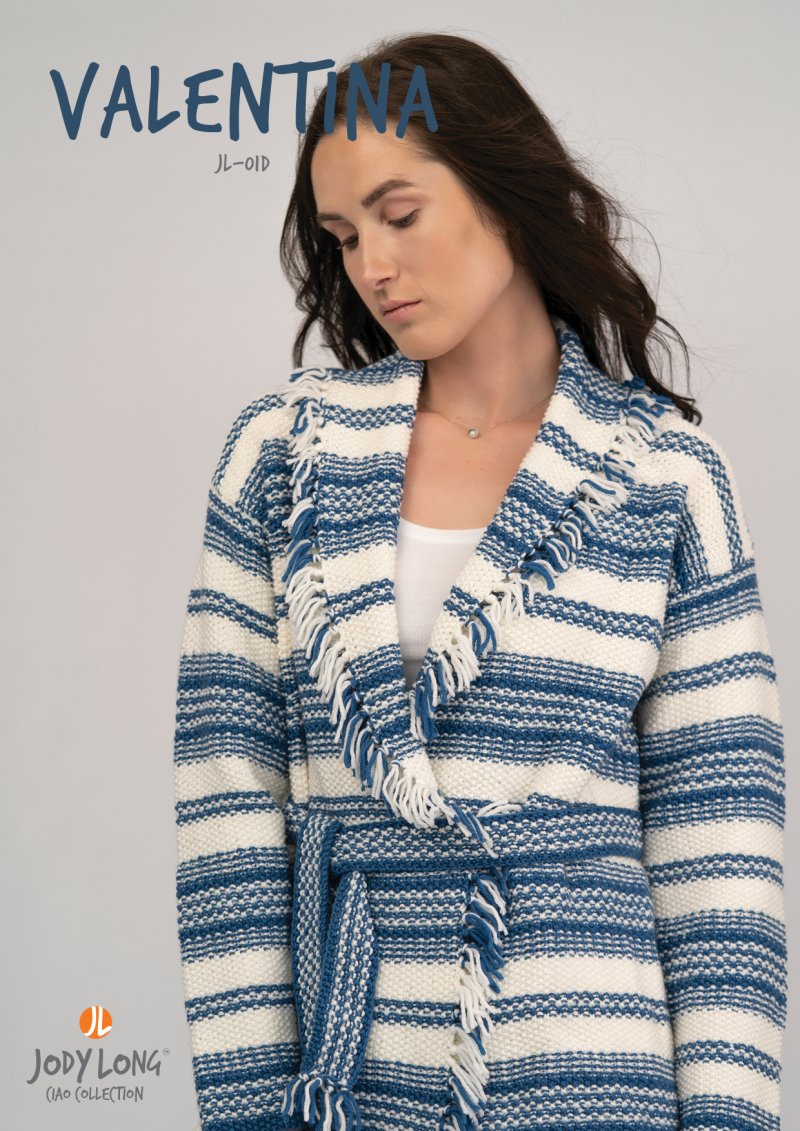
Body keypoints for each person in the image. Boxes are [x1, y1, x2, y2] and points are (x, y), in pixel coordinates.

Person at [172, 31, 786, 1131]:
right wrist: (249, 1108)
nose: (371, 266)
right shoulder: (282, 456)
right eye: (343, 236)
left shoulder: (665, 474)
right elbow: (227, 802)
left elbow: (722, 851)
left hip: (596, 1072)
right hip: (351, 1073)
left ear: (503, 194)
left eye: (399, 215)